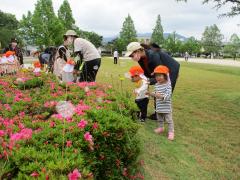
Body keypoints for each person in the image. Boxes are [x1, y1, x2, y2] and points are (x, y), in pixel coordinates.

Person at [125, 42, 180, 120]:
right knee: (158, 90)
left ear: (138, 51)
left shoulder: (153, 56)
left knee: (162, 92)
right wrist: (137, 78)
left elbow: (161, 74)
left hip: (171, 70)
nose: (131, 57)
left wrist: (149, 80)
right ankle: (158, 113)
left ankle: (161, 115)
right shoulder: (140, 59)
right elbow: (146, 72)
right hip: (161, 71)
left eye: (131, 55)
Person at [147, 65, 174, 140]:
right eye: (156, 76)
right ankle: (161, 128)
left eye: (160, 75)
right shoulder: (157, 85)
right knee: (159, 119)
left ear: (165, 76)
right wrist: (150, 94)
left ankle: (171, 132)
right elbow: (155, 94)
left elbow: (168, 96)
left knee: (169, 120)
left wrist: (161, 96)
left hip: (166, 107)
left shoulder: (168, 85)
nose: (158, 77)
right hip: (159, 106)